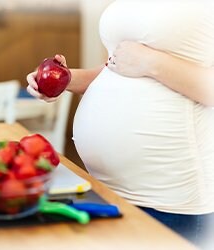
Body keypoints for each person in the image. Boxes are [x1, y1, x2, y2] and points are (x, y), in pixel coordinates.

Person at [27, 1, 214, 248]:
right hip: (105, 190)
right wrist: (67, 79)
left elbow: (143, 64)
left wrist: (152, 62)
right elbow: (117, 68)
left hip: (168, 201)